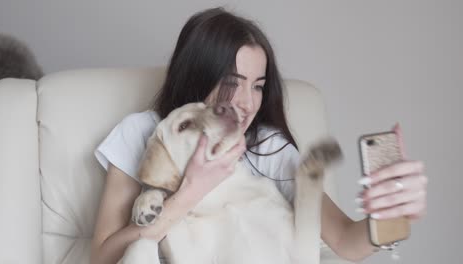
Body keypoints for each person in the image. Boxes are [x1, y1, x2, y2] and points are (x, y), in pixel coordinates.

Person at [90, 7, 428, 264]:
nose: (247, 102)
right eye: (231, 82)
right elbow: (103, 256)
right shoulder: (145, 133)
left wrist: (392, 215)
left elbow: (343, 238)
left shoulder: (268, 146)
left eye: (258, 86)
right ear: (198, 74)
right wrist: (188, 195)